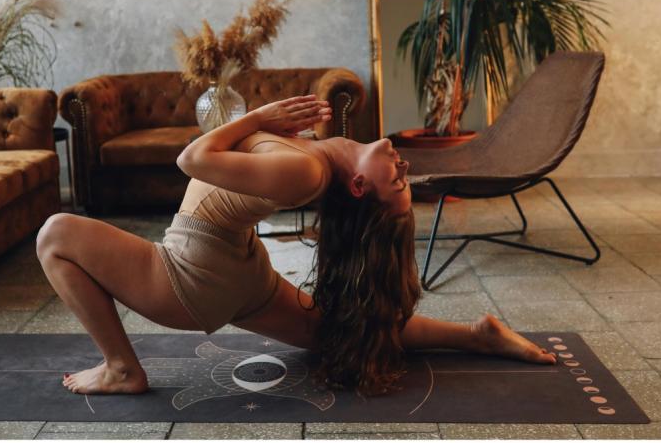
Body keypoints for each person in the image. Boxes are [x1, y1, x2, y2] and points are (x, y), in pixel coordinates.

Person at [36, 94, 556, 396]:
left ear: (358, 187)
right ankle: (476, 334)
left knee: (56, 234)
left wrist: (259, 119)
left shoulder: (305, 168)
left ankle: (122, 369)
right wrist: (258, 121)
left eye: (396, 182)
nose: (404, 166)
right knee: (342, 330)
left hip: (188, 276)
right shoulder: (317, 156)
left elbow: (190, 160)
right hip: (239, 271)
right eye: (405, 177)